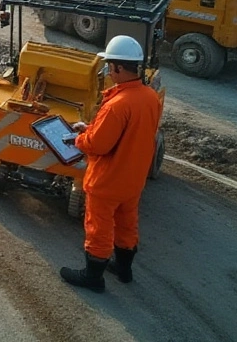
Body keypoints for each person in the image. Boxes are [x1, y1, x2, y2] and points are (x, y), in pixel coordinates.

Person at [60, 35, 163, 292]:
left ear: (118, 67)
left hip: (108, 180)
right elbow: (130, 133)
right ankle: (124, 269)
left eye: (109, 67)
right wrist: (91, 128)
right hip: (133, 179)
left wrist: (80, 138)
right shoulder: (149, 97)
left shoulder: (117, 104)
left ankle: (92, 277)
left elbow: (98, 145)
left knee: (99, 228)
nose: (108, 72)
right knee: (127, 224)